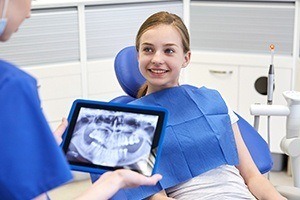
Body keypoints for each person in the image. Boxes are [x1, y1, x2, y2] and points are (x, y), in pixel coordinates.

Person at [105, 11, 287, 200]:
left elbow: (253, 177)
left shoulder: (212, 101)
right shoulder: (130, 120)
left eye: (169, 50)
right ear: (138, 56)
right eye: (148, 50)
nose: (157, 59)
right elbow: (155, 197)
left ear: (186, 58)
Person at [0, 0, 161, 199]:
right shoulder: (10, 85)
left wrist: (36, 146)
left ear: (186, 58)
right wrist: (114, 180)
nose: (28, 13)